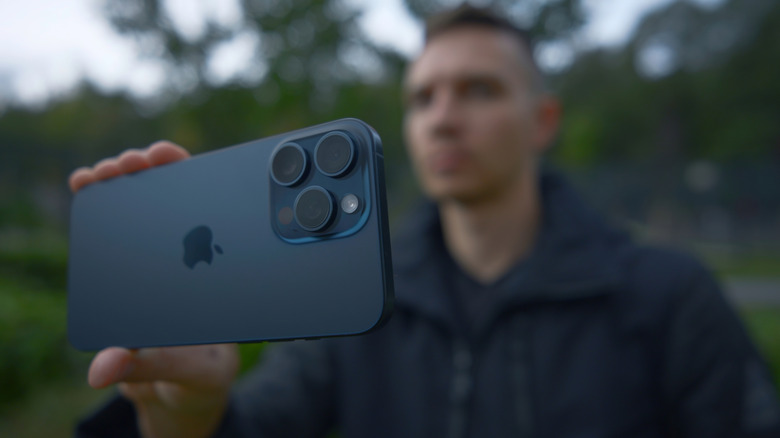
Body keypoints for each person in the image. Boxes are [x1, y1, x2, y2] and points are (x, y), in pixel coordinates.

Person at [70, 5, 780, 438]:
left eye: (478, 89)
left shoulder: (668, 295)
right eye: (422, 98)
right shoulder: (356, 300)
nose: (442, 117)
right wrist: (186, 413)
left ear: (543, 120)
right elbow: (255, 425)